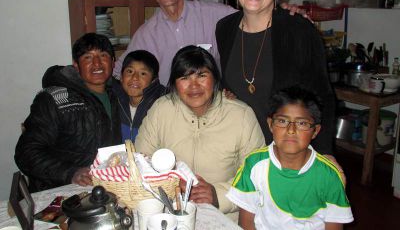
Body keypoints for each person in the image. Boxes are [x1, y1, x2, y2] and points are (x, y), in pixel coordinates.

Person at [216, 0, 336, 155]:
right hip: (239, 147)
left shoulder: (299, 30)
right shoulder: (224, 28)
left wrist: (326, 154)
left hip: (287, 149)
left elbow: (323, 96)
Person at [113, 0, 304, 84]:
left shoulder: (215, 15)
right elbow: (118, 73)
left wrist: (281, 12)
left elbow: (254, 15)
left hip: (217, 107)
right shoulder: (146, 34)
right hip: (171, 112)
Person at [135, 45, 265, 218]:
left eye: (202, 75)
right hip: (169, 216)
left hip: (223, 219)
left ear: (215, 78)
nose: (194, 86)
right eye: (184, 77)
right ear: (174, 82)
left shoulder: (241, 116)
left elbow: (257, 176)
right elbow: (140, 160)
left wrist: (217, 195)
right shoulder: (161, 109)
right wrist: (170, 184)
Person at [227, 86, 353, 229]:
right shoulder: (253, 164)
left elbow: (334, 226)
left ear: (315, 131)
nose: (291, 130)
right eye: (282, 121)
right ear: (270, 124)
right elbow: (246, 222)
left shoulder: (329, 175)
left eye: (302, 123)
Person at [14, 33, 122, 192]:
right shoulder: (55, 99)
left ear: (113, 62)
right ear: (76, 65)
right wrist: (71, 172)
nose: (97, 63)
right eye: (88, 57)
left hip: (104, 187)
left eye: (103, 55)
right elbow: (26, 153)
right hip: (60, 190)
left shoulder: (120, 95)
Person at [113, 50, 166, 142]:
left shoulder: (163, 103)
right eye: (130, 71)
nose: (134, 78)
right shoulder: (114, 98)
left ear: (154, 80)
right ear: (121, 76)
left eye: (143, 73)